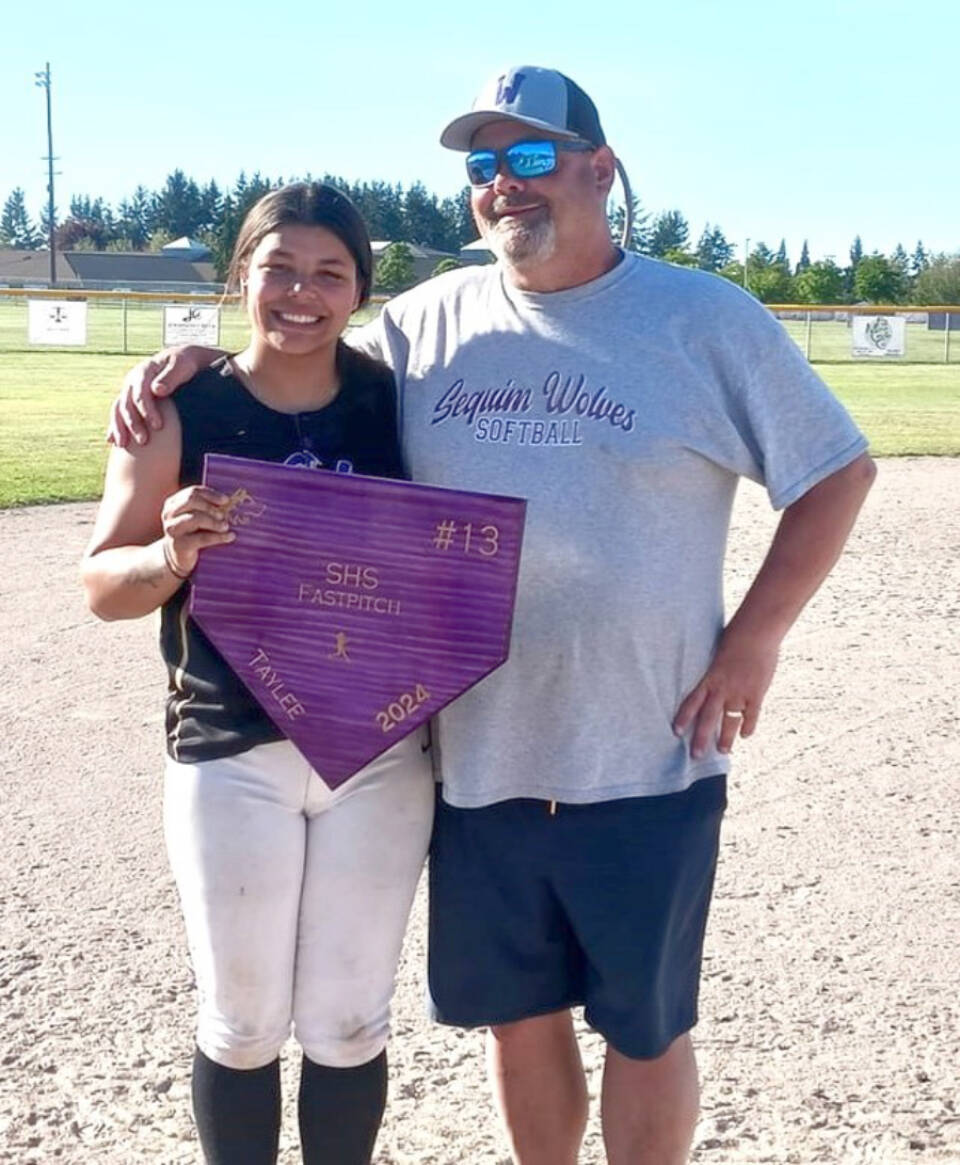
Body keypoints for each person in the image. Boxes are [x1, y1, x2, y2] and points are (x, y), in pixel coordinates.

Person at [108, 66, 876, 1165]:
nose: (504, 182)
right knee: (519, 1016)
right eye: (483, 163)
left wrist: (753, 640)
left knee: (647, 1025)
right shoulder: (427, 322)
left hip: (645, 748)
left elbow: (837, 471)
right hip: (472, 750)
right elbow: (300, 358)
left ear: (601, 170)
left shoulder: (704, 318)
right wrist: (192, 366)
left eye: (532, 156)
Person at [83, 182, 434, 1165]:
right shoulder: (180, 409)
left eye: (330, 273)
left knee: (350, 1021)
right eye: (279, 268)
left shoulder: (397, 405)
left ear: (360, 289)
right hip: (230, 744)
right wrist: (170, 555)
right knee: (241, 1023)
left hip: (378, 751)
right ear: (242, 274)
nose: (301, 293)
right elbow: (102, 584)